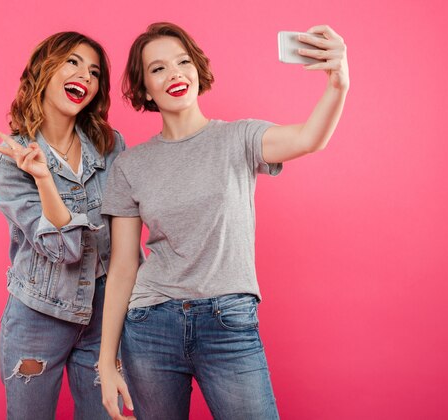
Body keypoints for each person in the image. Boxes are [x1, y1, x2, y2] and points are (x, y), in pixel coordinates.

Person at [98, 22, 349, 420]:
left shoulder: (240, 138)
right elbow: (124, 265)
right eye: (158, 68)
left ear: (197, 70)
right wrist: (106, 362)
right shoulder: (131, 166)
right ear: (145, 89)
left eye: (183, 62)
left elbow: (310, 138)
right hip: (151, 325)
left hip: (228, 321)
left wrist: (338, 82)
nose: (175, 73)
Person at [0, 31, 124, 420]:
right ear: (43, 71)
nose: (85, 75)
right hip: (37, 316)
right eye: (73, 62)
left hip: (104, 313)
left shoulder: (111, 147)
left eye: (95, 71)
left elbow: (127, 232)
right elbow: (64, 249)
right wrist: (45, 178)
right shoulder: (6, 165)